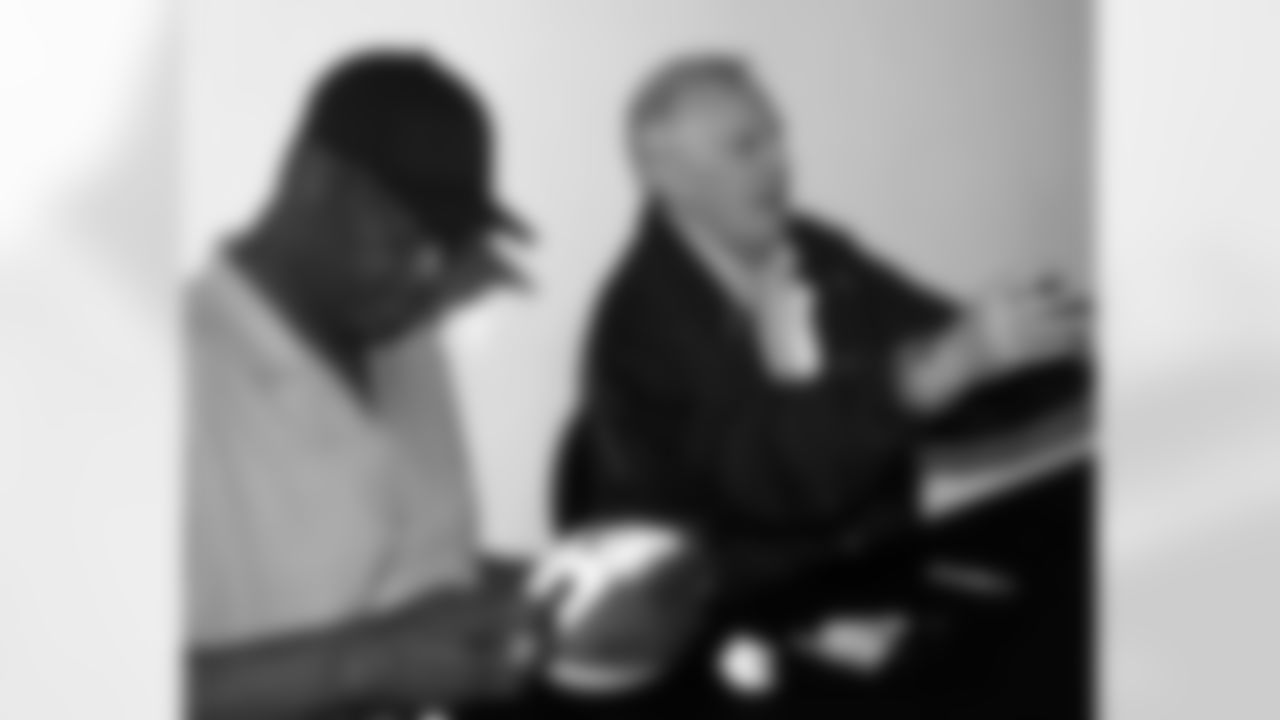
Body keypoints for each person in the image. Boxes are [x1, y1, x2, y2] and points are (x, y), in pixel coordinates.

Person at [560, 55, 1089, 712]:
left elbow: (955, 357)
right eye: (745, 147)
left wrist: (1087, 348)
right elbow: (771, 473)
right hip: (730, 641)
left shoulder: (818, 254)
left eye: (777, 137)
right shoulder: (641, 322)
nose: (779, 163)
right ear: (668, 177)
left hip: (872, 593)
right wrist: (935, 371)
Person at [186, 49, 542, 720]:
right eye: (408, 241)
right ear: (313, 180)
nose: (431, 282)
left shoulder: (407, 344)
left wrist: (537, 589)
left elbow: (404, 569)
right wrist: (363, 665)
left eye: (450, 251)